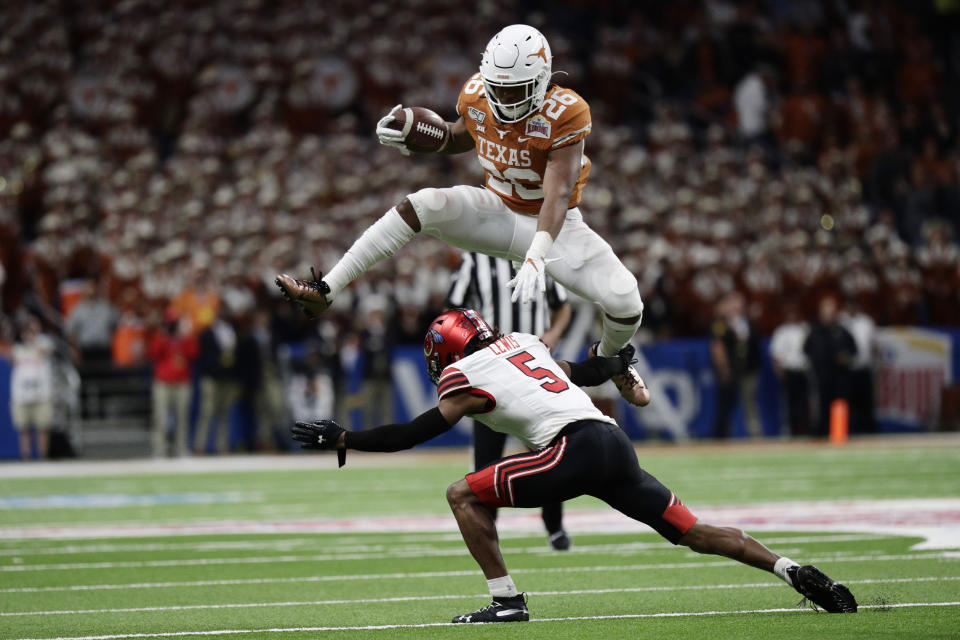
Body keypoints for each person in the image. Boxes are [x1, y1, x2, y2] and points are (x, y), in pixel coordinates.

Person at [292, 308, 857, 623]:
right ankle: (793, 571)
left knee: (461, 494)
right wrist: (612, 363)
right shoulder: (521, 343)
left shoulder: (464, 377)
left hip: (573, 449)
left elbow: (415, 432)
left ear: (448, 348)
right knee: (695, 531)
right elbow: (578, 372)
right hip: (613, 443)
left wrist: (346, 436)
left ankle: (507, 602)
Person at [276, 24, 646, 407]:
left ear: (541, 80)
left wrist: (538, 252)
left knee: (625, 300)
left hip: (554, 224)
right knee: (422, 205)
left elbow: (557, 192)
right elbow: (457, 137)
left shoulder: (566, 111)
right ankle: (325, 290)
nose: (502, 96)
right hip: (497, 211)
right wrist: (418, 139)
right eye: (496, 86)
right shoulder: (477, 94)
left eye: (513, 89)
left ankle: (610, 360)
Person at [447, 251, 573, 550]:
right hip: (491, 373)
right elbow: (452, 312)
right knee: (486, 460)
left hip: (533, 370)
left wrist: (551, 336)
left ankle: (554, 525)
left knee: (550, 449)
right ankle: (487, 531)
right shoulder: (475, 260)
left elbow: (562, 307)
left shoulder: (540, 257)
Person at [709, 291, 761, 438]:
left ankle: (754, 435)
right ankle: (722, 435)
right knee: (726, 405)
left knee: (750, 403)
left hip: (747, 369)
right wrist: (724, 368)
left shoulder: (746, 322)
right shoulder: (721, 323)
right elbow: (717, 347)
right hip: (731, 370)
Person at [804, 295, 858, 436]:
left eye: (831, 309)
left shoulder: (841, 330)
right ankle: (822, 433)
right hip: (821, 375)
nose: (828, 313)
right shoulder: (814, 330)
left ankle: (843, 432)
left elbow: (853, 349)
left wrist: (846, 357)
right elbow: (806, 350)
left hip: (840, 376)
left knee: (841, 404)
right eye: (825, 309)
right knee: (821, 405)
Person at [147, 309, 198, 457]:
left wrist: (185, 335)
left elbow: (194, 354)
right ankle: (159, 449)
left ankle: (181, 448)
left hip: (182, 382)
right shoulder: (161, 337)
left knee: (182, 418)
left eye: (175, 323)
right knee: (160, 418)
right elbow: (153, 353)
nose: (173, 326)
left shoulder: (185, 338)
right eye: (171, 323)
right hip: (163, 382)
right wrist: (163, 335)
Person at [10, 316, 57, 459]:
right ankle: (26, 458)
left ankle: (43, 458)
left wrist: (34, 338)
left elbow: (45, 350)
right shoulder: (17, 347)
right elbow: (11, 357)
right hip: (22, 395)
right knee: (23, 429)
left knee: (43, 428)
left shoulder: (45, 342)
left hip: (42, 393)